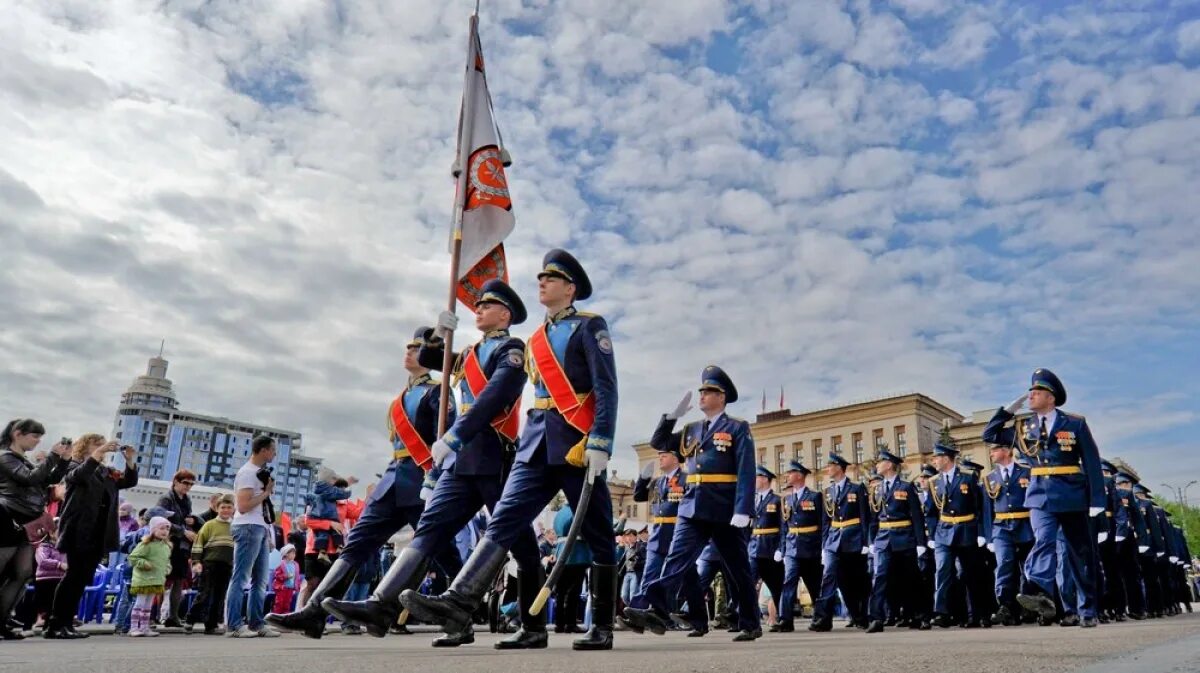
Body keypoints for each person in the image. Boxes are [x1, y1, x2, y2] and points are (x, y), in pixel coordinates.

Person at [401, 250, 620, 651]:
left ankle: (602, 625)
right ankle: (461, 601)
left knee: (598, 533)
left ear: (569, 289)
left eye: (550, 279)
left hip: (576, 444)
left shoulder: (590, 327)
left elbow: (605, 387)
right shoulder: (535, 338)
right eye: (540, 277)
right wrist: (437, 336)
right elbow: (448, 362)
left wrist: (602, 440)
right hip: (533, 445)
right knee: (504, 520)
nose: (541, 282)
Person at [325, 281, 541, 648]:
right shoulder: (470, 353)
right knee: (431, 527)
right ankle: (382, 604)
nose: (479, 310)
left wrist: (456, 435)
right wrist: (439, 333)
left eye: (487, 305)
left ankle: (532, 626)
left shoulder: (512, 349)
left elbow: (494, 396)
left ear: (505, 314)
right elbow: (428, 359)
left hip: (492, 454)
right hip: (460, 462)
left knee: (520, 545)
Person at [268, 327, 459, 640]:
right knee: (357, 543)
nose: (409, 352)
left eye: (416, 347)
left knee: (442, 550)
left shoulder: (438, 391)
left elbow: (447, 436)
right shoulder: (399, 400)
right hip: (393, 480)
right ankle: (314, 613)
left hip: (423, 478)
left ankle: (461, 614)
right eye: (408, 347)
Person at [623, 366, 761, 642]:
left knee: (738, 569)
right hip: (692, 506)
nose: (702, 395)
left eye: (708, 391)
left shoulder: (736, 427)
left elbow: (746, 470)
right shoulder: (691, 430)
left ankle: (750, 622)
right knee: (677, 559)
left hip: (723, 509)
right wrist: (672, 417)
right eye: (701, 391)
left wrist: (743, 510)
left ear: (722, 397)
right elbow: (659, 442)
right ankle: (657, 609)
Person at [983, 368, 1105, 627]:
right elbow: (990, 435)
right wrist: (1008, 410)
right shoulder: (1022, 426)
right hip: (1039, 496)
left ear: (1051, 397)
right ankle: (1037, 591)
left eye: (1036, 392)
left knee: (1079, 555)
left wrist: (1097, 502)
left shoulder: (1074, 423)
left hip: (1071, 494)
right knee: (1044, 540)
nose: (1031, 396)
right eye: (1030, 392)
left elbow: (1092, 463)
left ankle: (1085, 610)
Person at [47, 435, 137, 639]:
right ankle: (55, 623)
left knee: (82, 578)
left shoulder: (104, 471)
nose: (102, 447)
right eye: (96, 444)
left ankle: (67, 622)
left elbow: (127, 481)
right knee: (73, 576)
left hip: (99, 531)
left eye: (102, 444)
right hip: (79, 528)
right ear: (85, 446)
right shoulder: (75, 466)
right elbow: (78, 476)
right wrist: (98, 454)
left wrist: (129, 460)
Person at [0, 419, 70, 640]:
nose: (38, 440)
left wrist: (63, 461)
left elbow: (47, 479)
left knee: (22, 574)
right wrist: (52, 456)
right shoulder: (5, 457)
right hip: (8, 519)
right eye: (34, 436)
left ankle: (1, 622)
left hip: (26, 523)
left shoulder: (21, 460)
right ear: (17, 434)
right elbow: (30, 479)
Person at [926, 444, 992, 628]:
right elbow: (931, 513)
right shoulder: (933, 482)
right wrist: (932, 535)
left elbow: (979, 507)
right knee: (943, 570)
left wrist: (981, 532)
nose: (934, 461)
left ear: (946, 458)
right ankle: (942, 613)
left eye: (936, 457)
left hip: (966, 529)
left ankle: (976, 615)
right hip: (943, 532)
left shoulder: (968, 477)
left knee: (970, 574)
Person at [224, 435, 281, 638]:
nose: (275, 454)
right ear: (264, 450)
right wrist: (266, 493)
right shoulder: (248, 473)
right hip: (247, 526)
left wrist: (269, 532)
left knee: (261, 581)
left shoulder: (259, 473)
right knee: (241, 578)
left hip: (260, 528)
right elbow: (243, 506)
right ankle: (234, 624)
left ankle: (257, 622)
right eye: (273, 450)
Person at [865, 450, 926, 633]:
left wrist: (920, 543)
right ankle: (876, 618)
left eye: (881, 461)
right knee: (881, 577)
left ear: (890, 465)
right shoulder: (877, 489)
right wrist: (871, 541)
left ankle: (920, 616)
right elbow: (874, 518)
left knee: (911, 578)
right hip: (883, 539)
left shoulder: (906, 487)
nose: (877, 464)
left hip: (904, 537)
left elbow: (916, 516)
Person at [809, 453, 869, 632]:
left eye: (830, 465)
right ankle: (823, 619)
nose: (827, 468)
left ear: (839, 467)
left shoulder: (857, 489)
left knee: (855, 580)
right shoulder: (827, 492)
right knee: (829, 577)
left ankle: (861, 615)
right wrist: (824, 546)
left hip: (854, 538)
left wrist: (866, 542)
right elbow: (825, 521)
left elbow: (864, 516)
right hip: (833, 540)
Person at [982, 442, 1034, 626]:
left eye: (994, 450)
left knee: (1029, 567)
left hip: (1026, 524)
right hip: (1001, 527)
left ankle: (1030, 605)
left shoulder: (1027, 471)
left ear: (1006, 451)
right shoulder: (989, 478)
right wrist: (988, 537)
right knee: (1004, 564)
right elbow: (987, 511)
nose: (991, 454)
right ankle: (1006, 606)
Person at [775, 460, 822, 633]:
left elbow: (822, 524)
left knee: (814, 585)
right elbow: (783, 527)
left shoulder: (814, 497)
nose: (787, 475)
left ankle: (822, 618)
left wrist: (822, 547)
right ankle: (785, 620)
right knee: (788, 583)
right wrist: (782, 548)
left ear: (800, 475)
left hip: (810, 547)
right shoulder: (786, 499)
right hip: (792, 547)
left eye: (791, 472)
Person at [186, 493, 235, 635]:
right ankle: (190, 619)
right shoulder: (209, 525)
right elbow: (198, 543)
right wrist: (196, 561)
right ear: (217, 508)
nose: (225, 510)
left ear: (233, 509)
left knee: (220, 596)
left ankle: (211, 625)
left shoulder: (235, 526)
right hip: (209, 563)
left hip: (226, 564)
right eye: (223, 507)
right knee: (205, 593)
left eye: (229, 507)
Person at [156, 469, 198, 628]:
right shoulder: (166, 499)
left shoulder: (187, 500)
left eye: (191, 484)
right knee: (162, 580)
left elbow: (187, 519)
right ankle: (156, 615)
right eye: (185, 483)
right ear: (176, 481)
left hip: (182, 546)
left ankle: (173, 616)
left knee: (179, 580)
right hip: (167, 542)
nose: (188, 487)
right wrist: (182, 530)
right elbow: (159, 519)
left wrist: (191, 523)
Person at [1110, 472, 1148, 620]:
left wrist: (1143, 540)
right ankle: (1117, 609)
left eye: (1127, 484)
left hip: (1127, 538)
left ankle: (1137, 608)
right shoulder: (1101, 491)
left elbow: (1137, 518)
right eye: (1122, 484)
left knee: (1132, 574)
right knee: (1113, 574)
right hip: (1109, 536)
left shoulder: (1126, 494)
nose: (1125, 487)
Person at [748, 466, 784, 622]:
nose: (754, 481)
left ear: (764, 479)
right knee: (748, 581)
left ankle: (782, 616)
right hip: (754, 548)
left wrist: (780, 548)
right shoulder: (753, 500)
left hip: (770, 550)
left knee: (776, 586)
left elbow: (783, 527)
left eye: (756, 477)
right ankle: (738, 614)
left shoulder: (777, 500)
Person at [127, 517, 173, 637]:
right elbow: (133, 558)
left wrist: (167, 568)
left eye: (167, 528)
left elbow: (166, 561)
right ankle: (133, 627)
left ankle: (144, 627)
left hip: (156, 579)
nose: (165, 531)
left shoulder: (166, 546)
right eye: (161, 528)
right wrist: (144, 563)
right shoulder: (145, 544)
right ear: (153, 529)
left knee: (148, 605)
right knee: (140, 603)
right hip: (143, 579)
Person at [307, 468, 357, 562]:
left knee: (324, 534)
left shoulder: (316, 492)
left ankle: (324, 551)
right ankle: (337, 547)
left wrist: (369, 499)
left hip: (332, 552)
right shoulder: (329, 492)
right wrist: (330, 524)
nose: (339, 488)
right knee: (336, 530)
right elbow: (309, 521)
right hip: (313, 551)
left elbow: (357, 513)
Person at [272, 544, 300, 614]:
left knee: (287, 603)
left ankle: (284, 617)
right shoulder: (280, 563)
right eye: (292, 553)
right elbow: (277, 575)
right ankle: (275, 617)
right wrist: (286, 576)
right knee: (279, 603)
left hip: (290, 588)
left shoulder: (296, 564)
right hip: (282, 588)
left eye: (294, 553)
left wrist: (297, 587)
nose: (294, 555)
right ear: (286, 554)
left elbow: (297, 577)